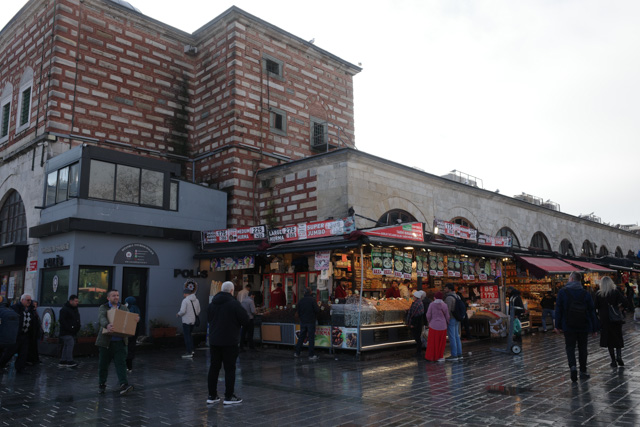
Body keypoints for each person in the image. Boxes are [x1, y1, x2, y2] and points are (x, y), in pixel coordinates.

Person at [207, 281, 248, 405]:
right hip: (230, 341)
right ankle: (229, 396)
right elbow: (245, 320)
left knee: (214, 368)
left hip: (214, 340)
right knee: (230, 369)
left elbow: (208, 319)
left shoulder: (212, 304)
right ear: (232, 291)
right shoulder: (234, 304)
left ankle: (212, 395)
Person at [554, 272, 598, 382]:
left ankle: (573, 367)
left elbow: (558, 309)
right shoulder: (585, 293)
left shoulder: (563, 292)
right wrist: (594, 328)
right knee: (583, 348)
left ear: (572, 279)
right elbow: (592, 311)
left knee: (570, 347)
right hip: (583, 324)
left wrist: (557, 325)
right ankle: (583, 370)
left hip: (568, 325)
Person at [96, 290, 138, 395]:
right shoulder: (104, 307)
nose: (116, 297)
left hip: (120, 342)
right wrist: (107, 325)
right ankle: (102, 384)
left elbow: (129, 318)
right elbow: (101, 317)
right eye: (113, 295)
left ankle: (124, 384)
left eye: (117, 295)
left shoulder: (123, 308)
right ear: (108, 298)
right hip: (106, 343)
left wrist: (135, 319)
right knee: (103, 365)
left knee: (121, 364)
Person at [595, 277, 627, 367]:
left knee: (609, 341)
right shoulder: (615, 292)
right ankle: (619, 356)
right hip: (615, 319)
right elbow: (625, 302)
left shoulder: (599, 294)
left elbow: (595, 306)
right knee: (617, 338)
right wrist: (620, 307)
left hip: (605, 320)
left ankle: (613, 360)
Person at [0, 294, 36, 374]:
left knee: (23, 353)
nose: (29, 302)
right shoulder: (15, 308)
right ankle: (1, 364)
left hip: (25, 334)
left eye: (30, 300)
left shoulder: (30, 310)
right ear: (22, 300)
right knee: (9, 352)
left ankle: (20, 368)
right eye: (28, 300)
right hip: (16, 334)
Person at [177, 281, 200, 359]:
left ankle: (189, 352)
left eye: (184, 293)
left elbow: (183, 311)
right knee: (190, 335)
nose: (183, 295)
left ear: (186, 293)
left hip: (186, 321)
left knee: (187, 336)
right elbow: (198, 311)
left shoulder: (185, 301)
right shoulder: (196, 300)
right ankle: (192, 350)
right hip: (193, 321)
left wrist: (178, 314)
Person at [294, 288, 320, 360]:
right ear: (310, 292)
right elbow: (317, 310)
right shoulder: (312, 300)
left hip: (303, 321)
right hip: (311, 321)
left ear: (304, 293)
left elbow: (298, 311)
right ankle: (311, 355)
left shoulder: (301, 301)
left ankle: (297, 352)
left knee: (301, 337)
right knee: (311, 338)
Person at [425, 291, 450, 362]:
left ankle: (431, 356)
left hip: (433, 325)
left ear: (435, 297)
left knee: (432, 342)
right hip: (443, 326)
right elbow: (447, 316)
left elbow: (428, 315)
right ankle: (440, 356)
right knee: (441, 342)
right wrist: (447, 323)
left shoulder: (432, 304)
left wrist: (429, 322)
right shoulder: (444, 305)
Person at [59, 294, 81, 368]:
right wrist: (70, 328)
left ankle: (63, 360)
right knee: (70, 344)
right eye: (76, 301)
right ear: (71, 301)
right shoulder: (65, 309)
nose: (77, 303)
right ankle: (69, 360)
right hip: (67, 331)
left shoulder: (74, 309)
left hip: (70, 331)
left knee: (66, 345)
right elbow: (62, 321)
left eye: (77, 301)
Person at [444, 284, 463, 361]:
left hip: (451, 318)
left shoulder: (449, 298)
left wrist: (446, 319)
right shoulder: (457, 296)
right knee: (457, 336)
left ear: (449, 289)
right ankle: (459, 353)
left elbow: (447, 310)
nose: (444, 289)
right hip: (457, 318)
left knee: (452, 337)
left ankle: (454, 355)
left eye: (446, 288)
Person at [124, 296, 141, 372]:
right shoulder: (136, 308)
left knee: (128, 347)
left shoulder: (131, 309)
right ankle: (129, 366)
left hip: (129, 330)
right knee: (131, 346)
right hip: (134, 330)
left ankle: (128, 365)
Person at [26, 299, 42, 365]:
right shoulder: (31, 312)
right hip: (31, 332)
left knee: (34, 346)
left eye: (36, 305)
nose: (35, 306)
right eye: (34, 305)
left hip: (35, 331)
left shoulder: (35, 312)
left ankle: (34, 359)